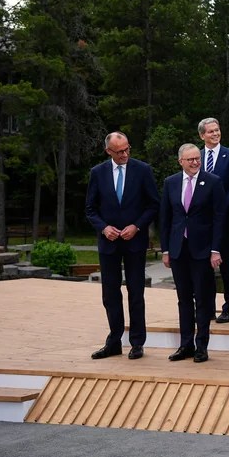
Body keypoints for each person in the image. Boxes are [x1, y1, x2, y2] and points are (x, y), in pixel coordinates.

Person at [85, 132, 159, 361]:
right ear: (109, 151)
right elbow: (90, 209)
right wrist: (103, 227)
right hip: (108, 244)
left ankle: (137, 343)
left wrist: (137, 226)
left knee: (136, 292)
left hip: (134, 242)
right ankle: (114, 341)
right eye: (120, 151)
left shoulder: (142, 170)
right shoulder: (98, 173)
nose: (125, 154)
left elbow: (153, 205)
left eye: (127, 149)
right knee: (110, 294)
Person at [159, 144, 226, 364]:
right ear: (181, 161)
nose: (195, 162)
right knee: (183, 299)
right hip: (178, 249)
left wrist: (215, 249)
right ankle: (185, 345)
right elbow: (166, 219)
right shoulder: (171, 183)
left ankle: (202, 346)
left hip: (203, 251)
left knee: (203, 299)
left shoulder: (213, 182)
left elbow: (219, 218)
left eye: (197, 158)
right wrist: (166, 250)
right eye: (190, 159)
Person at [196, 118, 229, 325]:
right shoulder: (195, 157)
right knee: (203, 267)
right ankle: (206, 308)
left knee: (226, 267)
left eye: (217, 130)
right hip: (201, 221)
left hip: (225, 219)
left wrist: (220, 208)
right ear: (202, 135)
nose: (215, 134)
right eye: (211, 131)